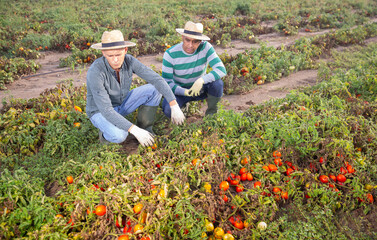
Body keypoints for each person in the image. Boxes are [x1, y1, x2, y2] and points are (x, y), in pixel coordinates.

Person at [86, 30, 185, 146]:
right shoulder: (96, 71)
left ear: (125, 50)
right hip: (100, 112)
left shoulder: (130, 61)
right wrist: (134, 130)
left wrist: (174, 104)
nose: (115, 60)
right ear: (103, 53)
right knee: (120, 135)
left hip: (120, 103)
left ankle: (146, 130)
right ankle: (105, 137)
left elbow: (156, 79)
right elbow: (107, 110)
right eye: (110, 56)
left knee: (154, 89)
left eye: (118, 55)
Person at [161, 21, 227, 117]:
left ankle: (211, 115)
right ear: (182, 38)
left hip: (200, 89)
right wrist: (184, 92)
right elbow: (167, 83)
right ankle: (183, 106)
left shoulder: (205, 47)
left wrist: (201, 80)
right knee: (168, 110)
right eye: (187, 40)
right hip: (180, 91)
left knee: (217, 84)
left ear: (200, 41)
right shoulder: (170, 54)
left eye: (195, 41)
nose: (190, 45)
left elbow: (221, 69)